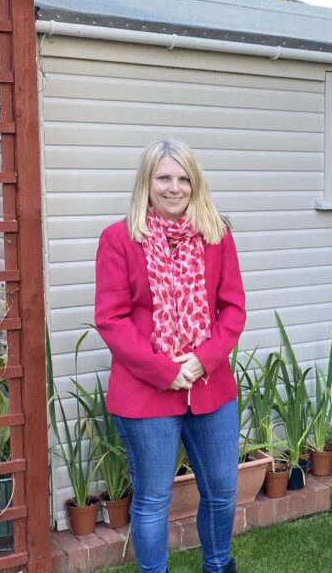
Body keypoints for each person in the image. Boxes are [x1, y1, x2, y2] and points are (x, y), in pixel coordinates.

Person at [94, 139, 246, 573]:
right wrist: (165, 370)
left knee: (221, 489)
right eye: (164, 177)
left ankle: (218, 566)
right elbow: (112, 318)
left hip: (209, 386)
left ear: (195, 184)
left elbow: (233, 309)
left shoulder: (217, 234)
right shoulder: (119, 239)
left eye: (183, 178)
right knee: (153, 499)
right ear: (147, 182)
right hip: (145, 393)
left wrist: (203, 360)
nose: (174, 188)